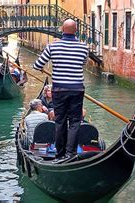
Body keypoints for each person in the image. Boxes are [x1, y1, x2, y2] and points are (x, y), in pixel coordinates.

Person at [33, 19, 89, 164]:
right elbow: (83, 64)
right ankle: (70, 154)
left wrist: (43, 68)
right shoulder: (84, 47)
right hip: (77, 89)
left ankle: (60, 153)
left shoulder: (53, 47)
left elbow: (37, 64)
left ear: (62, 30)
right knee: (75, 122)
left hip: (59, 90)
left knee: (60, 121)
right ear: (76, 31)